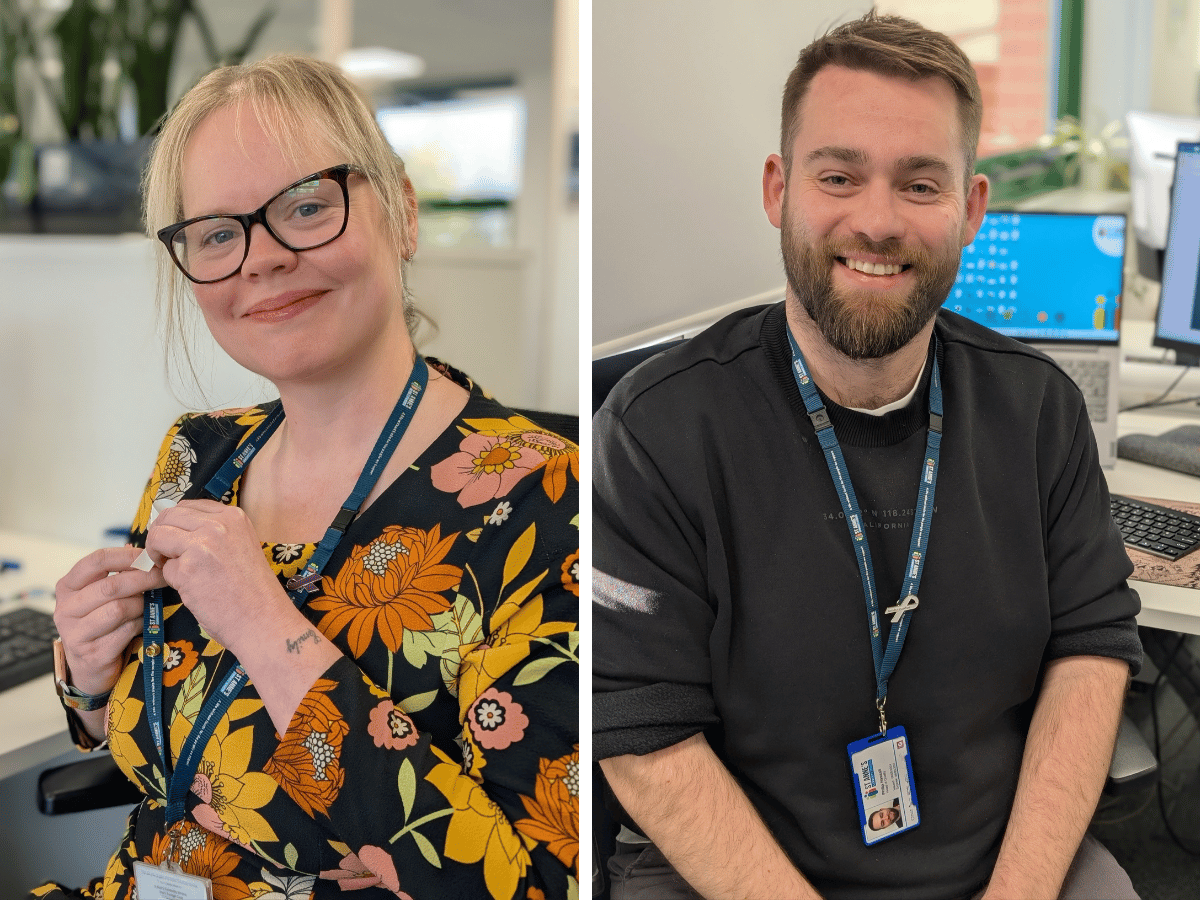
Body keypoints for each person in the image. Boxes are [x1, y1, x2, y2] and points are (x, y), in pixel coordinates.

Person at [593, 12, 1140, 900]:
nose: (877, 222)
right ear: (779, 190)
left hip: (1000, 866)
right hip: (732, 873)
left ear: (970, 210)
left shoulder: (1038, 409)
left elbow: (1092, 645)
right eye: (839, 175)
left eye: (921, 186)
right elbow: (643, 731)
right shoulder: (658, 432)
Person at [37, 54, 578, 900]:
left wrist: (265, 626)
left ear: (401, 211)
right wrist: (87, 675)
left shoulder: (544, 493)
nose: (260, 259)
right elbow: (160, 744)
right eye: (217, 233)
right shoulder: (199, 456)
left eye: (306, 207)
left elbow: (520, 883)